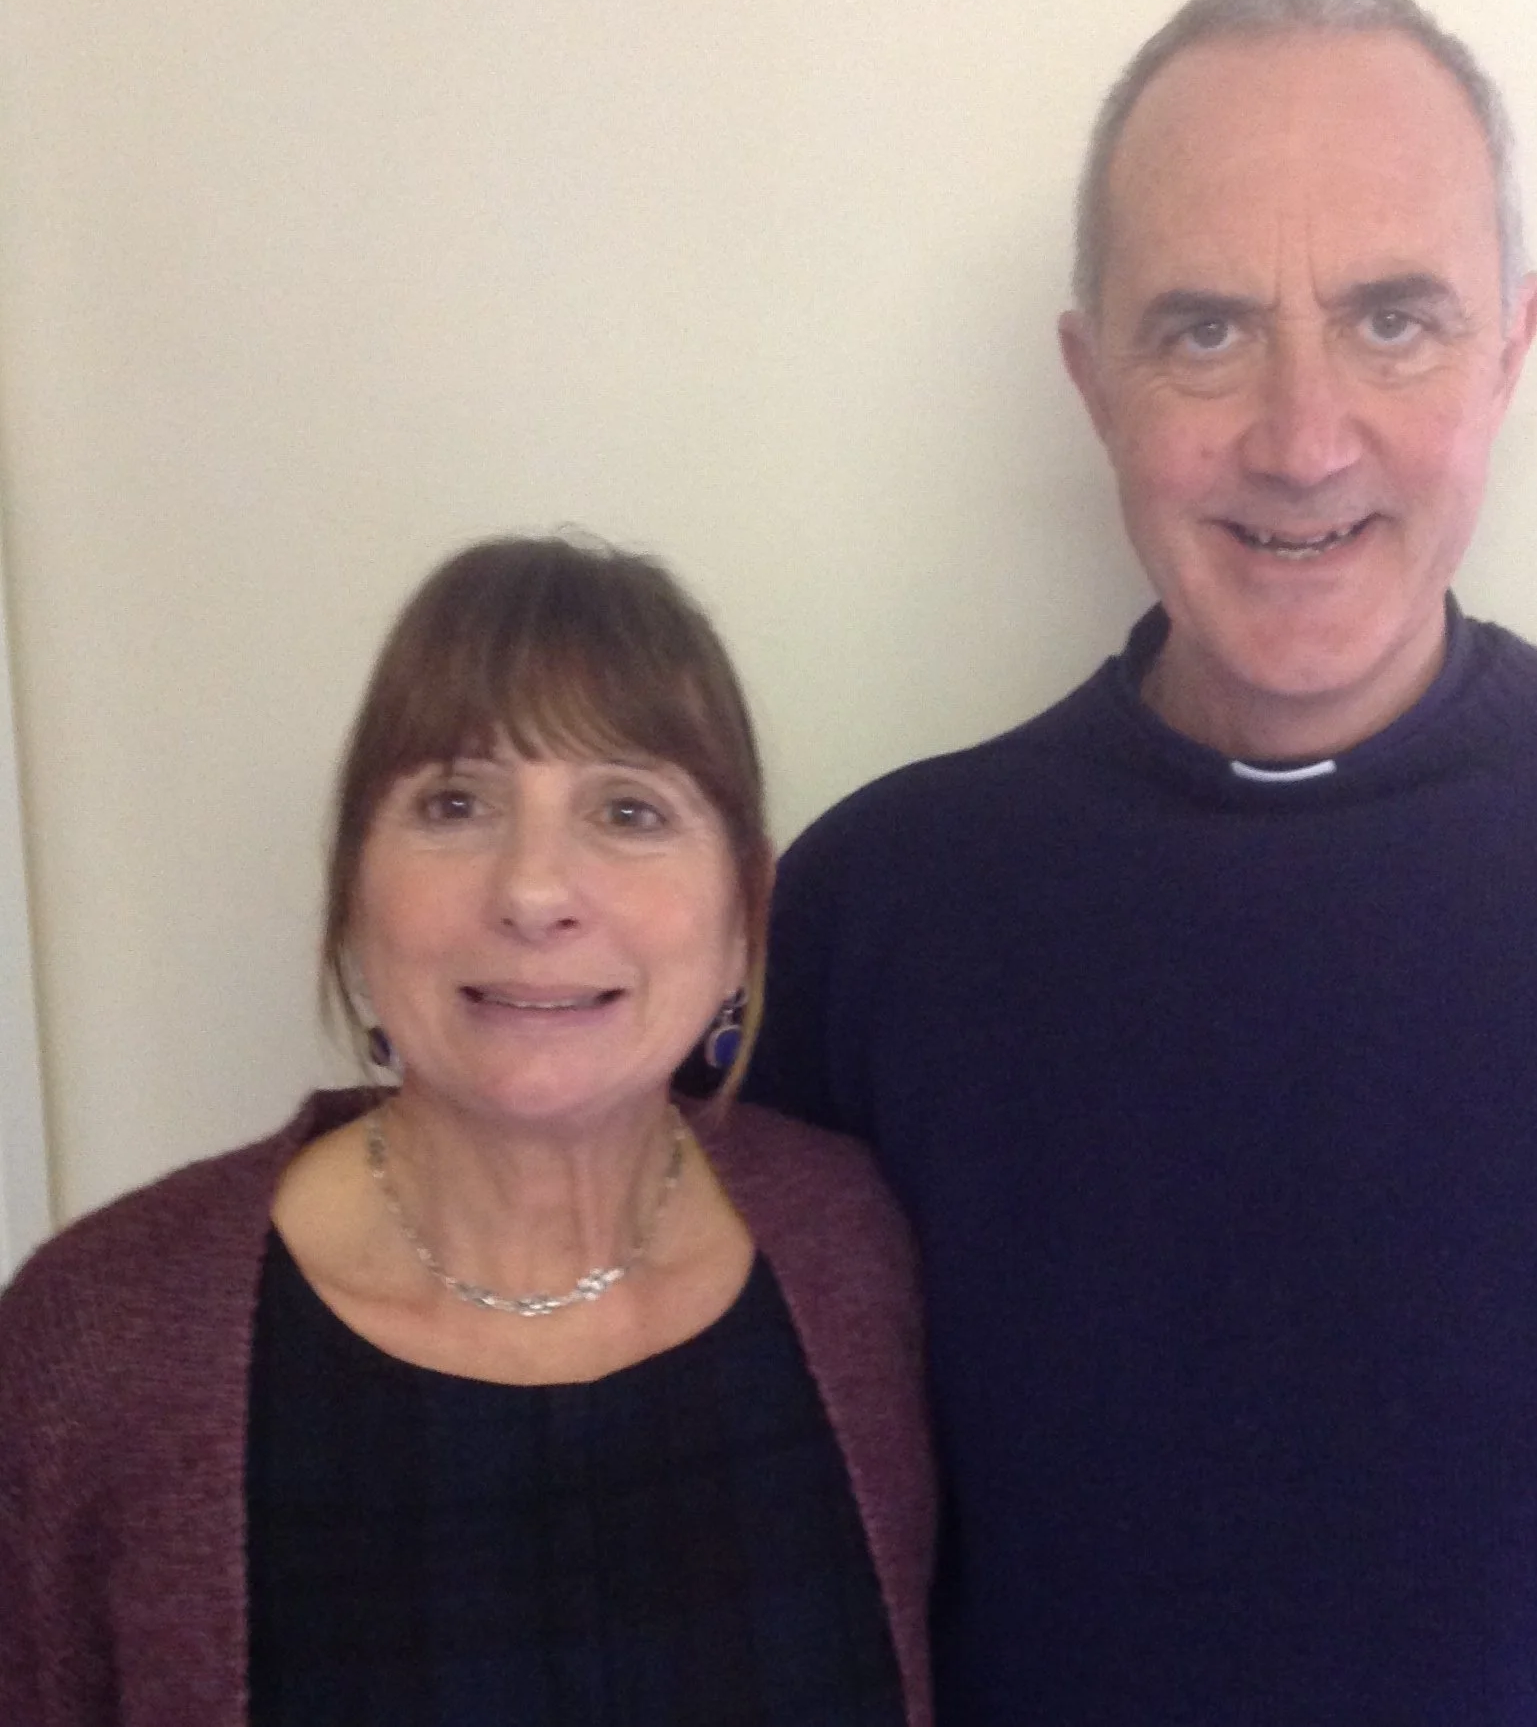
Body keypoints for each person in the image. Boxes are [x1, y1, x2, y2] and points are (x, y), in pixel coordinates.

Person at [745, 0, 1537, 1725]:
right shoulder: (873, 916)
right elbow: (775, 1580)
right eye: (1204, 330)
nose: (1301, 439)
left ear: (1510, 349)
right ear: (1091, 379)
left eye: (1393, 319)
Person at [0, 534, 933, 1727]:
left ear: (745, 910)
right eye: (454, 803)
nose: (533, 891)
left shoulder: (863, 1249)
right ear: (354, 891)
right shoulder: (102, 1338)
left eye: (630, 809)